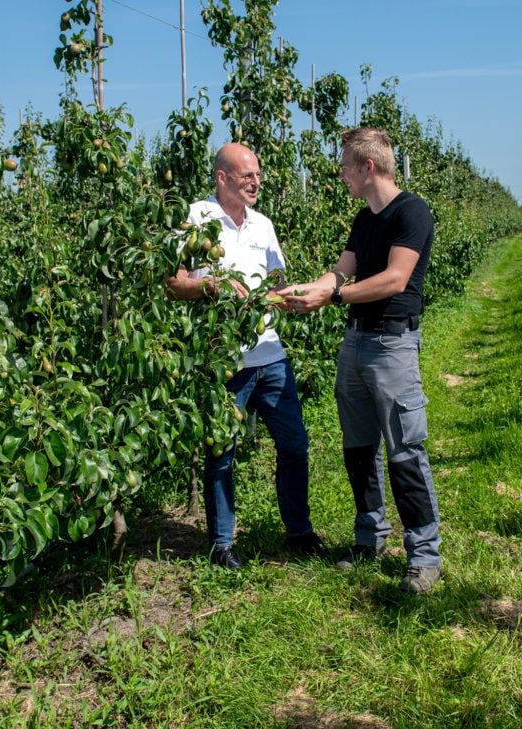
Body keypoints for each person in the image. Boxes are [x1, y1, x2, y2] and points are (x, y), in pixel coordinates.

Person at [280, 127, 443, 594]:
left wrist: (331, 298)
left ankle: (424, 555)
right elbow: (340, 271)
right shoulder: (363, 218)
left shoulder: (411, 212)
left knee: (405, 451)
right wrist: (303, 291)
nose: (342, 174)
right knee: (358, 449)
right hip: (355, 343)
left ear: (367, 167)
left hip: (392, 346)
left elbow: (394, 279)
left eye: (346, 167)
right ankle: (369, 536)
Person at [166, 142, 327, 570]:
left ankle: (299, 532)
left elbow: (278, 281)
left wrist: (276, 297)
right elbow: (174, 282)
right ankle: (222, 544)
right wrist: (212, 286)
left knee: (294, 444)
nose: (256, 182)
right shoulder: (196, 219)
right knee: (221, 452)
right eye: (246, 176)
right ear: (222, 178)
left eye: (257, 175)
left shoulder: (263, 225)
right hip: (222, 360)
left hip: (270, 354)